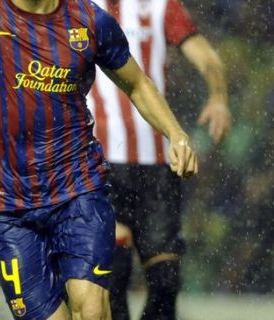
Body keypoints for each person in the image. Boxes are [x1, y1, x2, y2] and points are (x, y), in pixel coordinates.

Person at [0, 0, 198, 319]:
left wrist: (176, 133)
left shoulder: (90, 21)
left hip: (79, 194)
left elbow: (137, 83)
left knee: (92, 311)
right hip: (8, 209)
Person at [86, 0, 231, 319]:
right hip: (101, 166)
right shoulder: (78, 6)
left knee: (166, 284)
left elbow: (206, 56)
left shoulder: (159, 6)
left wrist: (218, 97)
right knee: (113, 282)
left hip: (156, 169)